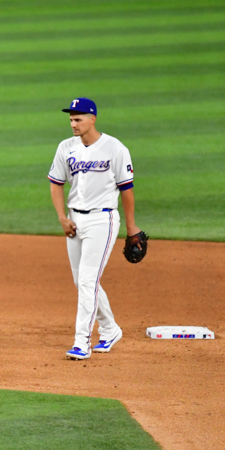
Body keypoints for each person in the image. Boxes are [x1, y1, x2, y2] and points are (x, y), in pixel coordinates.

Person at [48, 97, 140, 359]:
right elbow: (56, 183)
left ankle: (82, 342)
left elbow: (127, 190)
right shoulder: (66, 147)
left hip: (103, 220)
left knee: (88, 280)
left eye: (78, 119)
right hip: (74, 220)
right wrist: (61, 217)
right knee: (82, 281)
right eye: (71, 119)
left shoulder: (115, 148)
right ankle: (110, 329)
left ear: (93, 119)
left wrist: (131, 227)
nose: (73, 124)